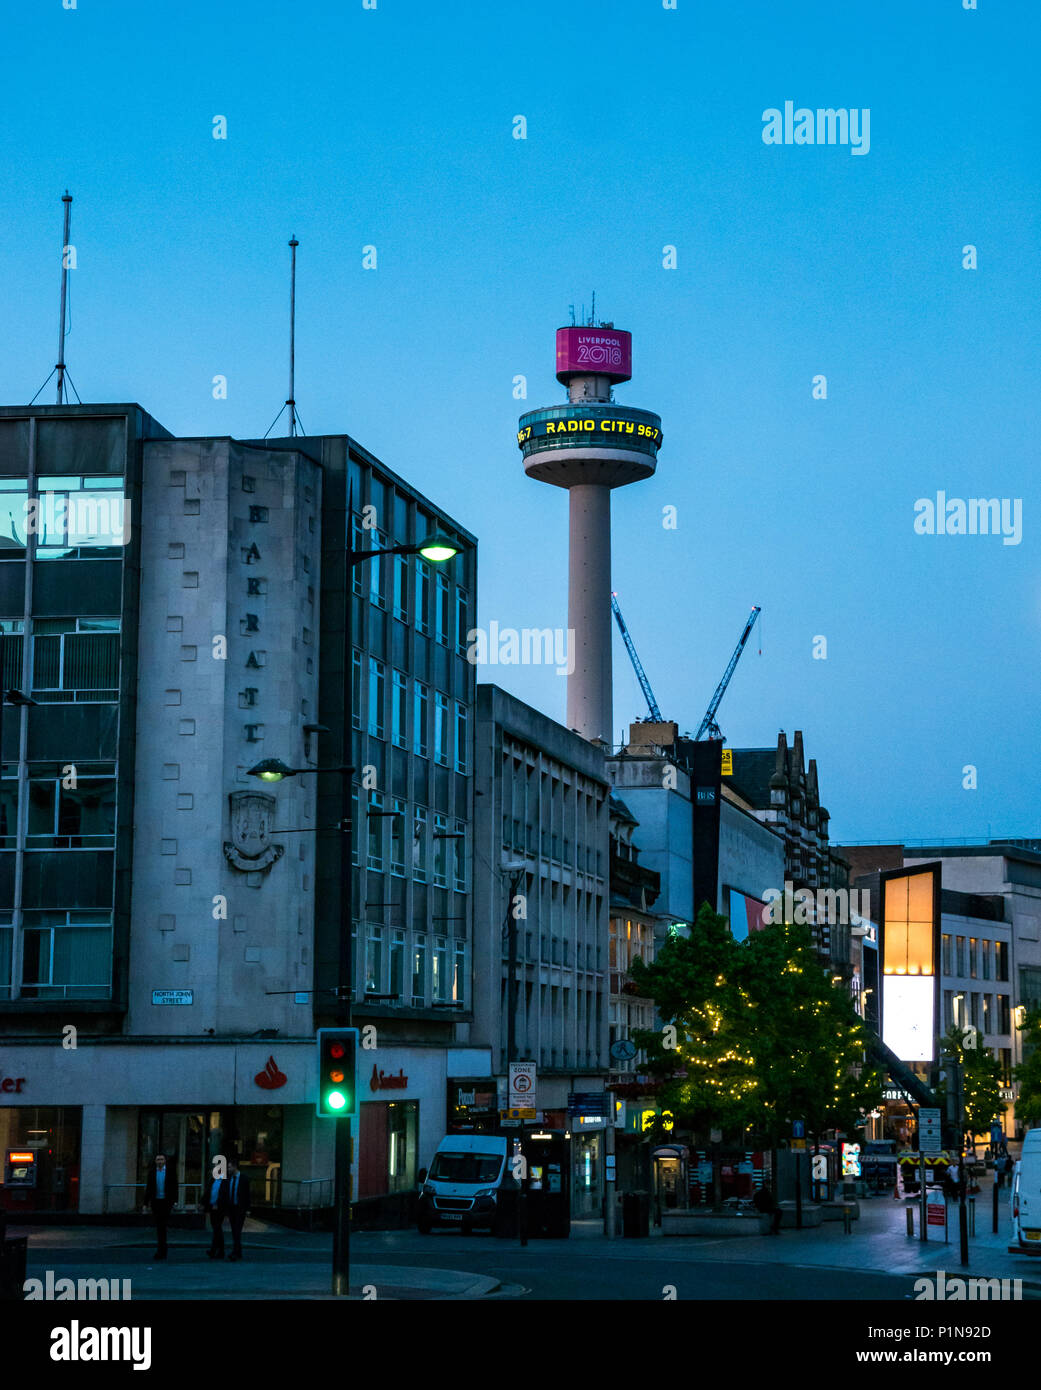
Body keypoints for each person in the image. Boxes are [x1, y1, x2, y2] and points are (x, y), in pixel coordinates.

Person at [144, 1153, 178, 1260]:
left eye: (161, 1159)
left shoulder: (170, 1171)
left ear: (165, 1161)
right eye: (158, 1159)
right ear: (155, 1161)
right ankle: (161, 1250)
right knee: (159, 1227)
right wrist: (145, 1203)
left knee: (163, 1226)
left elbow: (174, 1186)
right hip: (156, 1202)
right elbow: (149, 1188)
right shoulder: (152, 1172)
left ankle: (162, 1250)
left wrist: (175, 1201)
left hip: (166, 1202)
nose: (160, 1161)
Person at [219, 1155, 251, 1262]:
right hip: (232, 1208)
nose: (228, 1169)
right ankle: (238, 1251)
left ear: (235, 1167)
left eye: (229, 1167)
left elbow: (247, 1194)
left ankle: (235, 1252)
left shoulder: (244, 1178)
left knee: (237, 1230)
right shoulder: (229, 1179)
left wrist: (247, 1209)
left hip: (240, 1208)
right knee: (234, 1230)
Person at [206, 1168, 227, 1259]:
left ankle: (220, 1250)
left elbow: (224, 1194)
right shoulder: (213, 1180)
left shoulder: (224, 1181)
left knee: (217, 1228)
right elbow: (208, 1192)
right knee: (216, 1229)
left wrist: (217, 1203)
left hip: (219, 1208)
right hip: (212, 1207)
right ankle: (214, 1250)